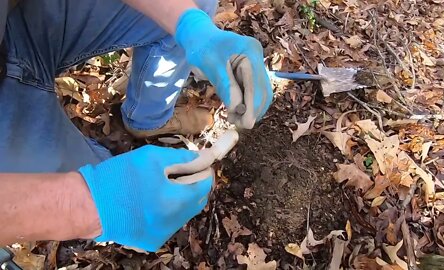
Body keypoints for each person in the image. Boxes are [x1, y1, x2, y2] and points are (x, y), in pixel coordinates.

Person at [0, 0, 272, 252]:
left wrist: (192, 26)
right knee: (111, 187)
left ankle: (148, 120)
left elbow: (188, 20)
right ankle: (114, 201)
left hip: (16, 28)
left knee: (195, 3)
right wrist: (80, 206)